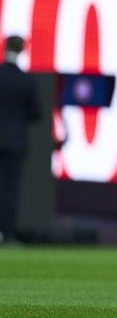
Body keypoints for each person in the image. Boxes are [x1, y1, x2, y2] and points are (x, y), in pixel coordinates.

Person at [0, 36, 40, 244]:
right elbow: (36, 113)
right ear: (23, 50)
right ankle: (7, 235)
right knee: (9, 190)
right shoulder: (26, 81)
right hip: (14, 142)